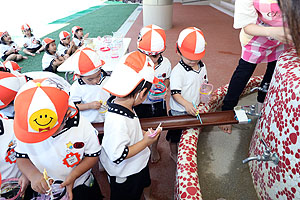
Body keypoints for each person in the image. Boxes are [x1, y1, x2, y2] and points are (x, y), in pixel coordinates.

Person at [14, 77, 103, 200]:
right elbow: (22, 157)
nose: (43, 137)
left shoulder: (82, 126)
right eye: (35, 135)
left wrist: (74, 176)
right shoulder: (24, 129)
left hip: (80, 183)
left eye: (52, 130)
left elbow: (92, 156)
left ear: (67, 115)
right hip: (45, 190)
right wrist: (33, 175)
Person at [219, 0, 292, 134]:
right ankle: (227, 111)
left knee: (273, 71)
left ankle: (262, 108)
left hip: (284, 36)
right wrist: (274, 31)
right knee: (243, 74)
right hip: (257, 34)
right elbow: (247, 26)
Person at [100, 51, 161, 200]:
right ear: (142, 94)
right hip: (125, 174)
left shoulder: (122, 103)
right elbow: (118, 155)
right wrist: (146, 142)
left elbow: (130, 127)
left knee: (144, 182)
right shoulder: (117, 121)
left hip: (138, 162)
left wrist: (141, 132)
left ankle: (147, 196)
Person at [167, 27, 209, 162]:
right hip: (179, 110)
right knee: (176, 134)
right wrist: (186, 104)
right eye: (189, 58)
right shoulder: (178, 72)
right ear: (178, 51)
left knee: (191, 131)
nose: (192, 61)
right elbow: (175, 94)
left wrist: (206, 92)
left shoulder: (202, 66)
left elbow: (204, 82)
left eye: (196, 59)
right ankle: (173, 152)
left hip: (193, 106)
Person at [134, 24, 171, 163]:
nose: (150, 60)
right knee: (140, 126)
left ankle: (154, 147)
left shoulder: (166, 63)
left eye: (154, 56)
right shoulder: (136, 63)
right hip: (140, 103)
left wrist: (164, 87)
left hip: (158, 102)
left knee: (157, 126)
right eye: (146, 55)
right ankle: (143, 147)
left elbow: (167, 78)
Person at [69, 47, 110, 123]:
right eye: (90, 79)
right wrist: (89, 106)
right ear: (79, 76)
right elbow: (73, 106)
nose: (95, 81)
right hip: (91, 122)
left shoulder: (107, 79)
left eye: (98, 76)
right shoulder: (76, 87)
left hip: (109, 119)